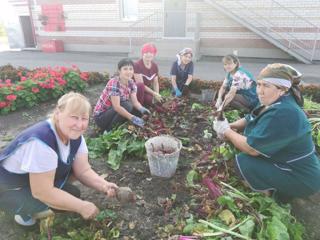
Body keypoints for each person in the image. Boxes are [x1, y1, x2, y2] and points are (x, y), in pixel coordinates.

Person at [0, 92, 119, 226]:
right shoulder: (41, 142)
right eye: (74, 117)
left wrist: (103, 185)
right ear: (58, 113)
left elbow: (83, 171)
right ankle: (22, 213)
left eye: (84, 118)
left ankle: (43, 202)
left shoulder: (75, 137)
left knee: (72, 190)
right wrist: (81, 206)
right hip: (8, 189)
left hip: (30, 181)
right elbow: (42, 192)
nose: (79, 125)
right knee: (68, 196)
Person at [213, 63, 320, 202]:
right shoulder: (273, 100)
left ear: (282, 89)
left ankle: (275, 197)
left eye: (266, 86)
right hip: (290, 164)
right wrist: (230, 125)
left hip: (300, 176)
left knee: (244, 163)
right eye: (259, 84)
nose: (259, 91)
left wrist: (226, 131)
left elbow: (252, 148)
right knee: (244, 152)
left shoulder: (284, 112)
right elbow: (250, 117)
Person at [93, 58, 150, 132]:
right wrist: (132, 118)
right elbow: (117, 107)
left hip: (113, 111)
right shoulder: (114, 83)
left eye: (130, 69)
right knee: (127, 106)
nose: (128, 72)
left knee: (136, 111)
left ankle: (117, 125)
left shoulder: (131, 83)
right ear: (119, 71)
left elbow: (135, 102)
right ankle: (108, 130)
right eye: (125, 69)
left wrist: (143, 109)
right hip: (101, 117)